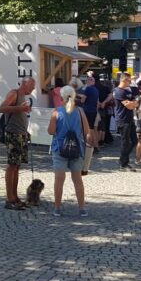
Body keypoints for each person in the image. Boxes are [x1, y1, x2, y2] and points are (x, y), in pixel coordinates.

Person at [48, 86, 93, 217]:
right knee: (77, 179)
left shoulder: (56, 112)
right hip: (77, 148)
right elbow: (86, 131)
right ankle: (82, 208)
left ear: (61, 97)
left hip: (60, 149)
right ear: (74, 96)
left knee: (59, 179)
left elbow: (51, 131)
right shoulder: (80, 112)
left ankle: (57, 208)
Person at [0, 77, 35, 211]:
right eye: (31, 86)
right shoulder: (14, 93)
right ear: (25, 84)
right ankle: (9, 199)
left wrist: (25, 132)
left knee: (17, 166)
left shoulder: (22, 96)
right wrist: (19, 108)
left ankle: (15, 198)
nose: (32, 89)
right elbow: (2, 108)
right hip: (13, 134)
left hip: (21, 134)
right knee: (12, 165)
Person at [113, 74, 140, 171]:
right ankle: (123, 164)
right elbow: (129, 106)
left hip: (130, 118)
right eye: (129, 81)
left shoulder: (128, 90)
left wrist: (133, 103)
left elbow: (135, 103)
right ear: (124, 80)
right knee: (125, 142)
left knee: (134, 141)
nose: (130, 83)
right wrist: (132, 104)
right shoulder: (118, 91)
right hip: (122, 119)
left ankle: (122, 159)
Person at [80, 76, 100, 149]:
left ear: (89, 81)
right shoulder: (96, 90)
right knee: (93, 129)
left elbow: (83, 100)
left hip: (87, 110)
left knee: (87, 129)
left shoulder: (88, 89)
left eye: (87, 81)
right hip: (94, 111)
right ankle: (95, 145)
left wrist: (80, 98)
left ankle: (88, 145)